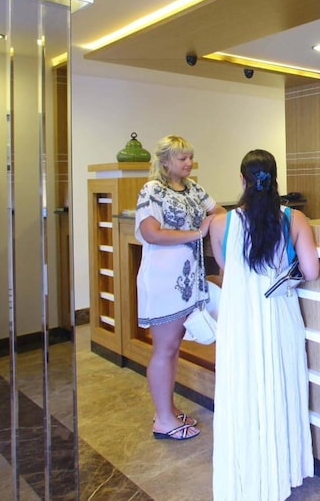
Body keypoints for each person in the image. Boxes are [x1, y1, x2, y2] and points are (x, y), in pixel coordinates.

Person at [208, 149, 320, 500]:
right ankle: (282, 469)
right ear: (275, 179)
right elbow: (311, 270)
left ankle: (247, 469)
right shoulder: (294, 219)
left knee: (242, 391)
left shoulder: (221, 223)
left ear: (242, 180)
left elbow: (227, 269)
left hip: (238, 320)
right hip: (279, 315)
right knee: (280, 386)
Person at [135, 135, 225, 441]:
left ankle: (168, 409)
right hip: (164, 281)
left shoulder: (194, 188)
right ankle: (163, 419)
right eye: (182, 158)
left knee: (173, 347)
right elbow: (151, 233)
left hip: (188, 281)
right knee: (165, 348)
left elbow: (220, 213)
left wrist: (209, 226)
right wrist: (196, 233)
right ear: (165, 162)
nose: (189, 163)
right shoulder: (153, 190)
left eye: (190, 157)